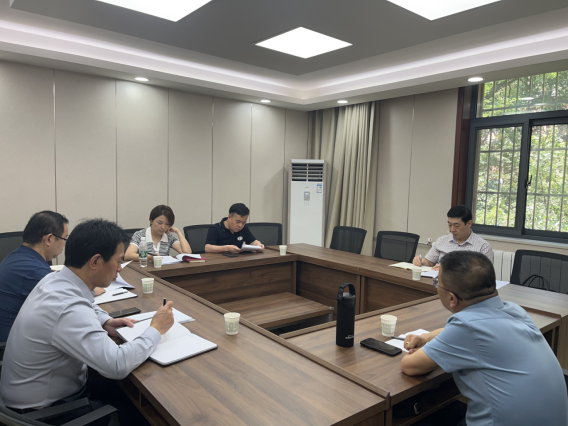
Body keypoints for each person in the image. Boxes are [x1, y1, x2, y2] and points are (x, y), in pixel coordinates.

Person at [0, 219, 175, 425]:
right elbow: (117, 365)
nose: (120, 268)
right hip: (48, 411)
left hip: (40, 391)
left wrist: (105, 321)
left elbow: (86, 303)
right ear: (95, 261)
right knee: (146, 412)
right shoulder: (67, 307)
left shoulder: (55, 280)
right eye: (118, 261)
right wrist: (156, 329)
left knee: (130, 391)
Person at [400, 251, 568, 426]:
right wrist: (427, 337)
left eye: (437, 282)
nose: (436, 286)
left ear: (452, 298)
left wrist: (426, 346)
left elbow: (409, 366)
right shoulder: (514, 310)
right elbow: (469, 333)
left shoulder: (466, 328)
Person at [0, 211, 69, 342]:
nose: (64, 245)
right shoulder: (34, 271)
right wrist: (88, 287)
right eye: (64, 239)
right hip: (13, 342)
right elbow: (66, 307)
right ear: (49, 239)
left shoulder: (17, 256)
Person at [413, 205, 493, 271]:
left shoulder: (483, 246)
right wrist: (421, 262)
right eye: (450, 225)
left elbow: (485, 275)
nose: (452, 229)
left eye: (456, 226)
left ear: (469, 224)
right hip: (438, 282)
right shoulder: (442, 240)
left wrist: (449, 270)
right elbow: (430, 263)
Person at [124, 205, 192, 261]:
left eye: (167, 224)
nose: (163, 227)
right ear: (151, 221)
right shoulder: (140, 235)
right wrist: (149, 257)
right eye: (160, 223)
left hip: (164, 270)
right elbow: (128, 255)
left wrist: (178, 232)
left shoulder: (169, 236)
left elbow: (187, 253)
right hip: (145, 270)